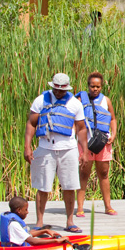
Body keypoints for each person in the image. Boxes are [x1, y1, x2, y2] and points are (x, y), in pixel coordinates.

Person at [24, 72, 89, 233]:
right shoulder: (41, 100)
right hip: (46, 148)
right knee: (43, 187)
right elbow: (32, 124)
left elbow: (81, 129)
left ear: (67, 88)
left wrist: (85, 151)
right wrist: (27, 146)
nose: (59, 92)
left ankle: (70, 221)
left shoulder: (75, 103)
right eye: (56, 89)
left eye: (62, 90)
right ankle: (39, 222)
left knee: (69, 186)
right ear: (52, 86)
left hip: (68, 149)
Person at [76, 72, 118, 217]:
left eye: (98, 86)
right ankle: (80, 208)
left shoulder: (106, 100)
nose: (95, 89)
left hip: (102, 141)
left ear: (101, 86)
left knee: (104, 174)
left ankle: (108, 206)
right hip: (85, 142)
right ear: (88, 86)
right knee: (84, 174)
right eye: (92, 86)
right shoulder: (80, 99)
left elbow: (112, 118)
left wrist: (113, 134)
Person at [0, 196, 70, 247]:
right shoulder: (14, 225)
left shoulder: (13, 222)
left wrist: (45, 231)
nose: (27, 212)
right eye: (26, 209)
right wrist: (56, 241)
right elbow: (33, 242)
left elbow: (27, 234)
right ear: (19, 210)